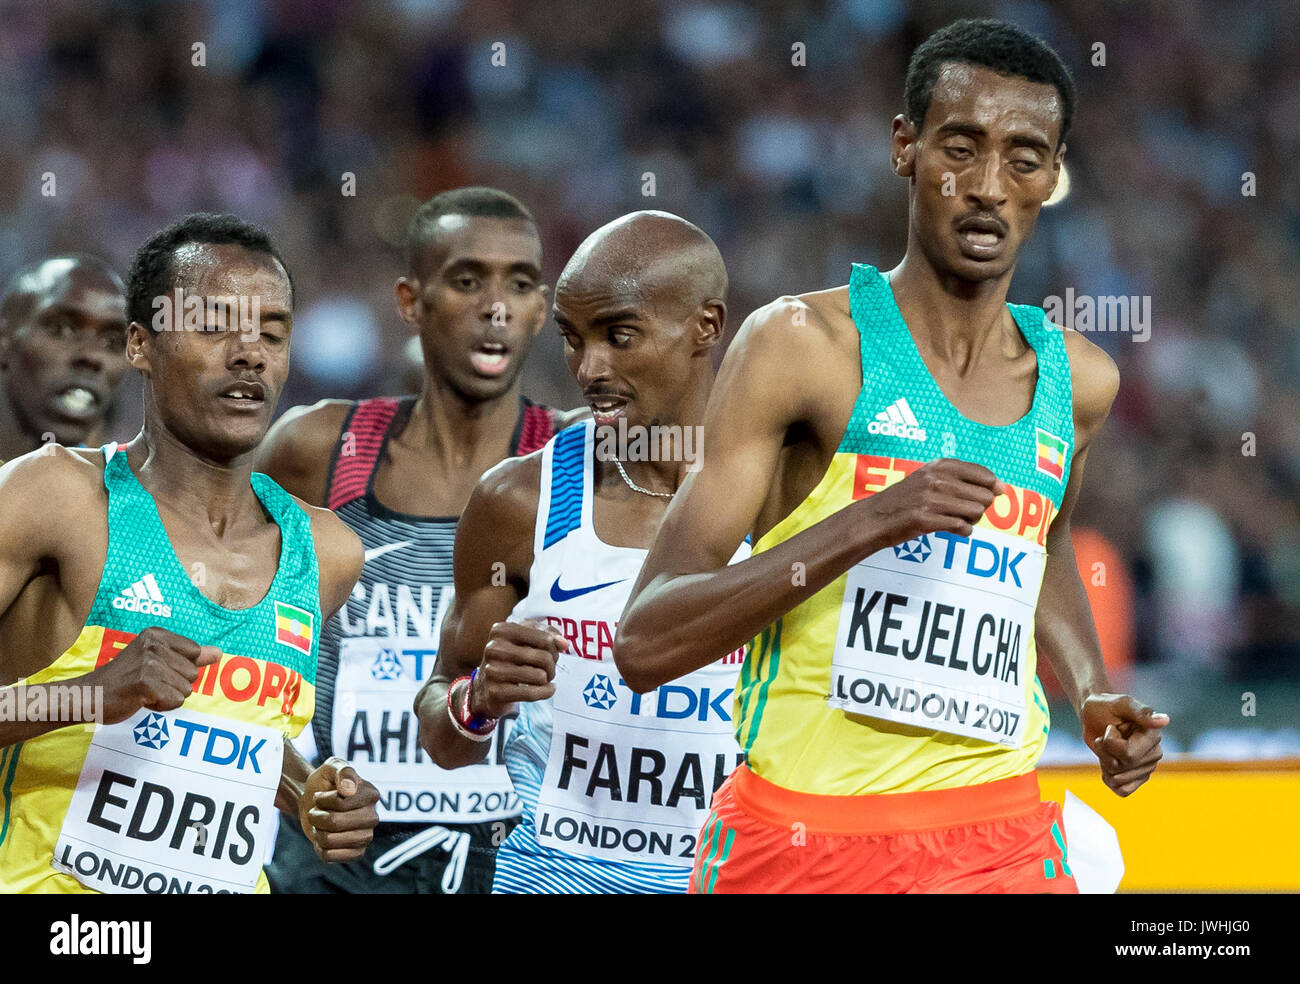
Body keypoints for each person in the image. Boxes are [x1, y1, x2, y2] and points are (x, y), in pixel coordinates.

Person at [617, 18, 1169, 894]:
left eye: (1025, 159)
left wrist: (1091, 689)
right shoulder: (803, 348)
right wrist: (870, 521)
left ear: (1053, 178)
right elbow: (645, 640)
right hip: (800, 842)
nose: (989, 186)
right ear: (905, 149)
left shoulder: (1081, 379)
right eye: (962, 147)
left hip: (998, 838)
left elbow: (1041, 537)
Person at [0, 213, 378, 894]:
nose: (249, 353)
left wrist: (307, 792)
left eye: (272, 331)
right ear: (140, 346)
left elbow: (243, 738)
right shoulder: (53, 496)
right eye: (214, 326)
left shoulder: (326, 550)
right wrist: (88, 695)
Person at [257, 187, 579, 893]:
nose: (496, 307)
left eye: (520, 285)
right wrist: (295, 784)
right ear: (410, 299)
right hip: (336, 854)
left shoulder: (579, 461)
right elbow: (223, 632)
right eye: (468, 281)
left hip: (515, 857)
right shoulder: (317, 449)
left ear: (540, 309)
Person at [418, 211, 748, 893]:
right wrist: (478, 700)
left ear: (706, 326)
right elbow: (441, 733)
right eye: (573, 339)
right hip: (556, 877)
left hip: (741, 875)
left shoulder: (789, 495)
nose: (590, 369)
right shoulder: (518, 501)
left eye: (620, 336)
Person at [0, 255, 128, 464]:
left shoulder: (126, 493)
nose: (91, 356)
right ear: (4, 339)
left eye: (113, 342)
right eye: (62, 329)